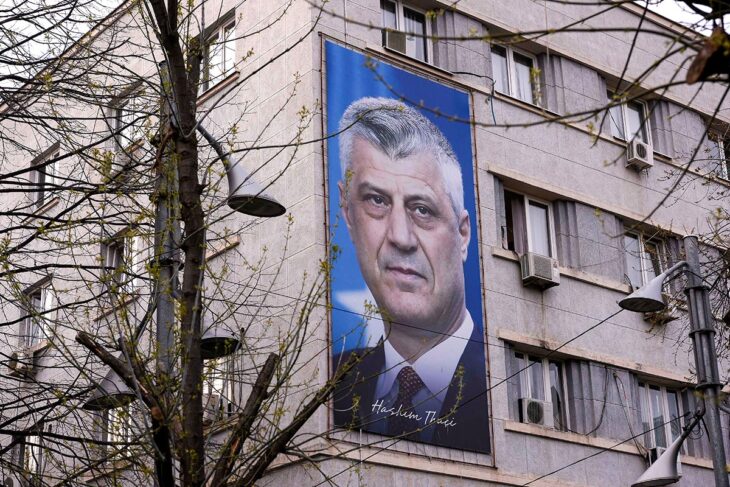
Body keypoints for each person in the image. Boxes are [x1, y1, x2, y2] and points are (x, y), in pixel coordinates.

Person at [332, 97, 489, 453]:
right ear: (347, 212)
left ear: (463, 234)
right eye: (376, 201)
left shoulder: (506, 382)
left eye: (422, 209)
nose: (400, 237)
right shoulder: (331, 382)